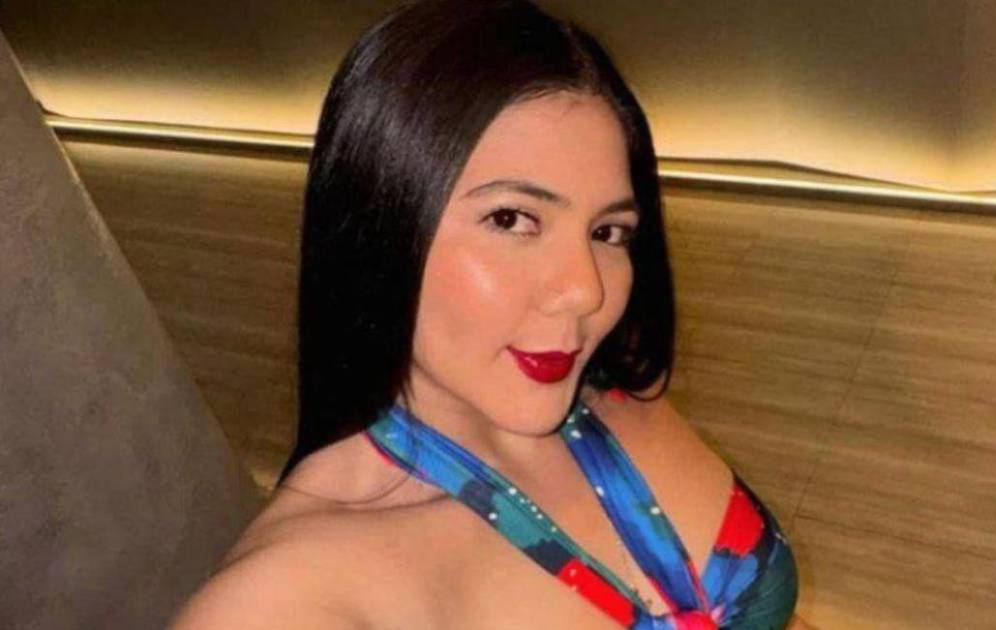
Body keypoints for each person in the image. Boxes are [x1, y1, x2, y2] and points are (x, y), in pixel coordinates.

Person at [171, 1, 801, 628]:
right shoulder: (277, 601)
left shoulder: (612, 393)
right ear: (380, 227)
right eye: (511, 219)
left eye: (608, 231)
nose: (585, 291)